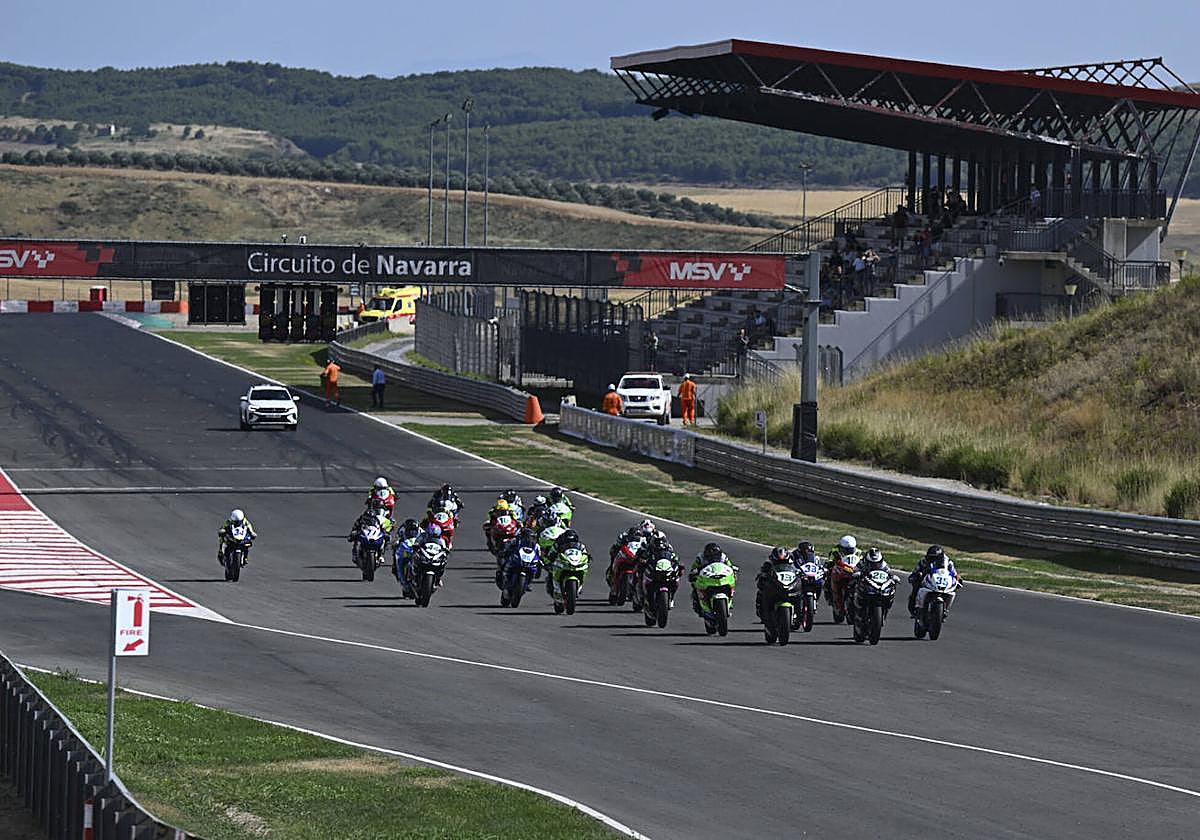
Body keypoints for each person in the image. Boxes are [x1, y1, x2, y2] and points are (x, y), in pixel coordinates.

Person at [908, 544, 961, 616]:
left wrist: (958, 578)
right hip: (928, 580)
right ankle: (915, 607)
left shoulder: (948, 562)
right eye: (931, 558)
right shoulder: (924, 561)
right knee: (916, 585)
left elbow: (953, 573)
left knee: (953, 589)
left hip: (941, 581)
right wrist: (915, 576)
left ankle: (945, 609)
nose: (932, 560)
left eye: (934, 558)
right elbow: (916, 571)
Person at [755, 545, 797, 618]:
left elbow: (795, 569)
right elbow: (763, 571)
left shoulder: (791, 562)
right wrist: (763, 575)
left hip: (787, 582)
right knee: (761, 589)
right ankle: (761, 608)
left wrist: (799, 574)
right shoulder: (769, 562)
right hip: (774, 583)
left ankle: (799, 610)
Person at [688, 541, 728, 616]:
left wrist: (733, 571)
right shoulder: (700, 558)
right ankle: (698, 604)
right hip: (706, 578)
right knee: (695, 586)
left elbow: (730, 566)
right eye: (710, 555)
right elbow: (694, 568)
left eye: (716, 555)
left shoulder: (723, 557)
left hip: (721, 577)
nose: (714, 557)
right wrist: (694, 573)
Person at [546, 528, 585, 595]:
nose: (570, 542)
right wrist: (551, 558)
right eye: (568, 540)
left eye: (572, 540)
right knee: (550, 572)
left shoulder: (581, 546)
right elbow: (550, 554)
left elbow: (585, 554)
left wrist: (587, 558)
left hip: (575, 564)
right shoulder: (557, 544)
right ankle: (552, 588)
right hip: (561, 564)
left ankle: (579, 586)